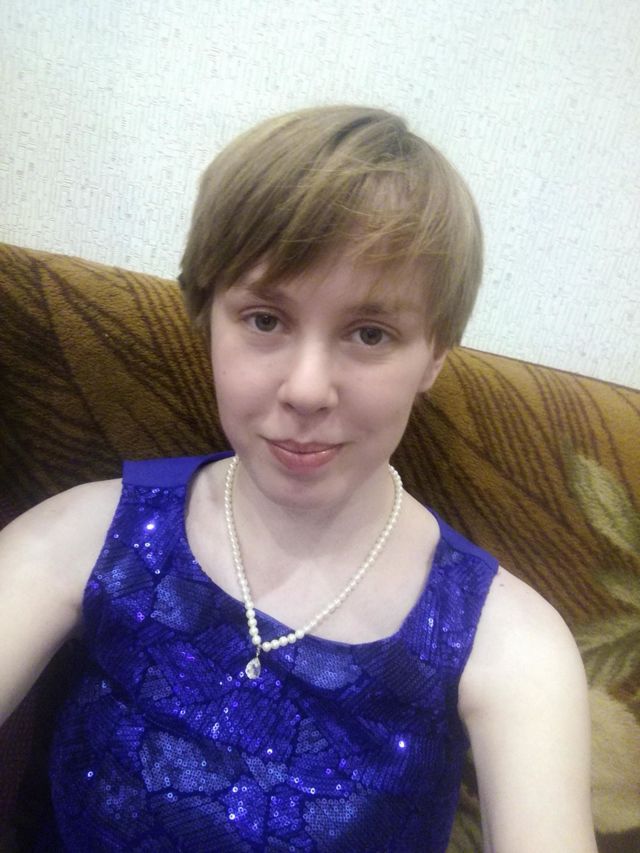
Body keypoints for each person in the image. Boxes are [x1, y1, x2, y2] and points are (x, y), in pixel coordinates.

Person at [0, 106, 597, 852]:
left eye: (370, 333)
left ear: (436, 354)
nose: (308, 389)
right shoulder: (86, 536)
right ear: (208, 318)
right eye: (265, 319)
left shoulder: (511, 647)